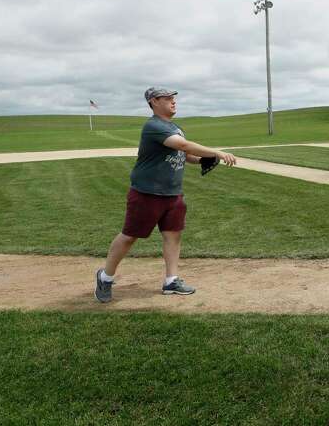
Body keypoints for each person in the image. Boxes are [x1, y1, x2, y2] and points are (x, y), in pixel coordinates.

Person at [94, 87, 237, 303]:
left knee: (173, 234)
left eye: (174, 98)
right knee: (130, 236)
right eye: (167, 98)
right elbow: (182, 145)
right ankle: (105, 277)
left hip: (172, 193)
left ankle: (171, 281)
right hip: (147, 193)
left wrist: (202, 160)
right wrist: (216, 152)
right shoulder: (154, 126)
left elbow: (184, 153)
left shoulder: (174, 127)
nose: (173, 101)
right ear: (154, 101)